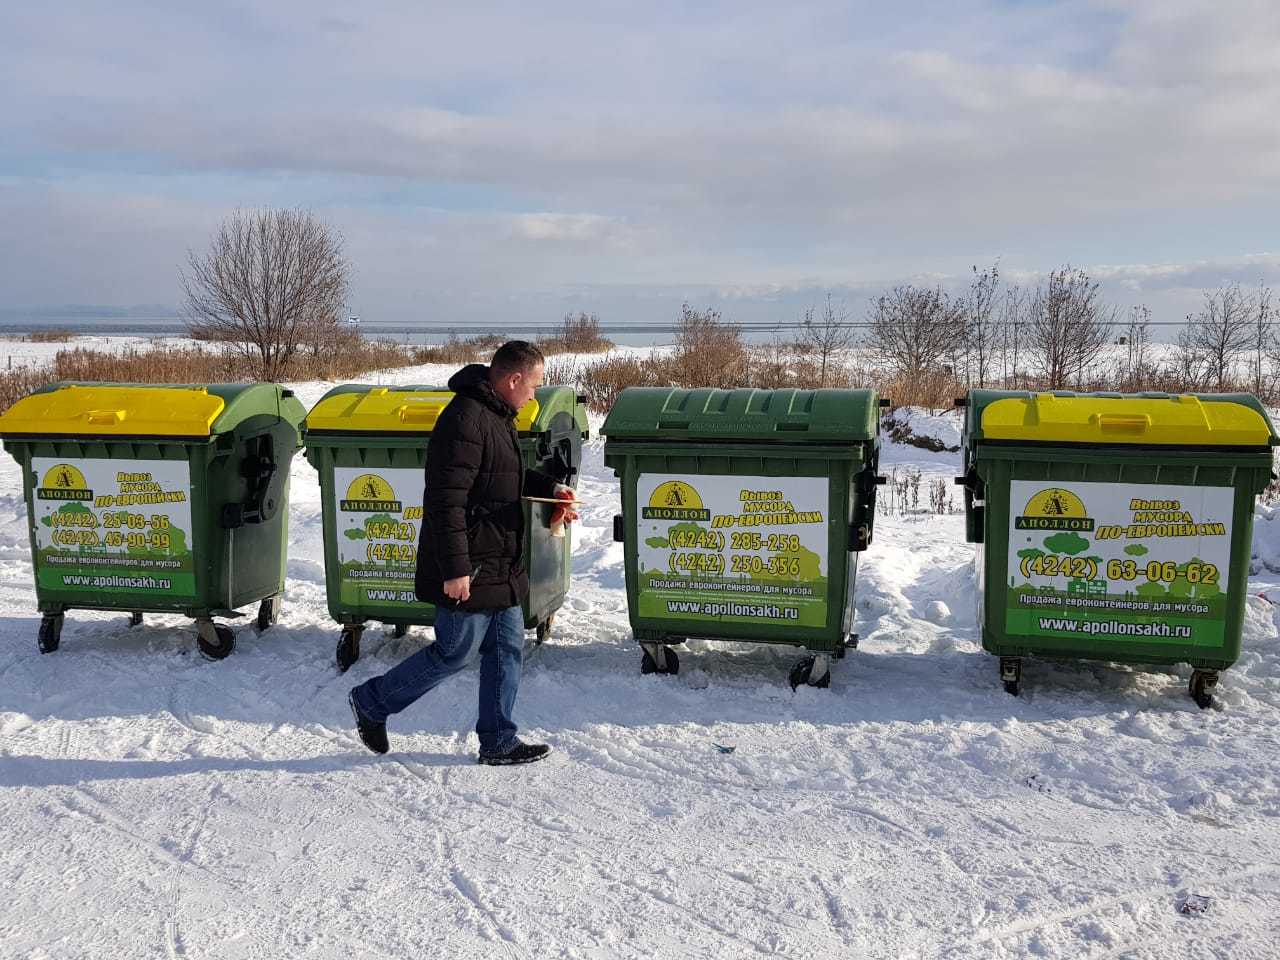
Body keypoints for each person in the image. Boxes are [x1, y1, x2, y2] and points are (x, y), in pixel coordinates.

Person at [348, 341, 577, 765]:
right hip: (469, 563)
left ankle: (498, 741)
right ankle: (373, 702)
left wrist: (550, 489)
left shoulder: (496, 415)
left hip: (499, 562)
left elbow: (505, 475)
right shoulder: (465, 420)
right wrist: (455, 569)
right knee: (455, 652)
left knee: (507, 650)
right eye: (534, 386)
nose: (534, 396)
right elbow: (445, 501)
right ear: (512, 380)